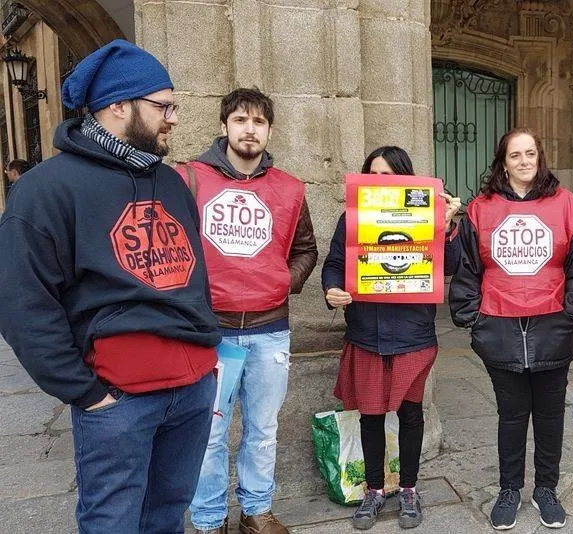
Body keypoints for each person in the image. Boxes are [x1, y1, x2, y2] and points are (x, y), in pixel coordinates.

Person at [0, 39, 221, 533]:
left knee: (167, 518)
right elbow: (22, 304)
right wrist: (85, 392)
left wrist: (208, 364)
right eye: (163, 106)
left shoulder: (171, 183)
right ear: (119, 105)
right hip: (118, 399)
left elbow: (195, 277)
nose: (173, 118)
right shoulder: (44, 189)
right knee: (112, 523)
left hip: (192, 389)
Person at [182, 88, 319, 534]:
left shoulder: (290, 189)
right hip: (211, 331)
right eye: (240, 120)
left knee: (263, 429)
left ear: (269, 131)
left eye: (259, 122)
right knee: (209, 433)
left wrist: (283, 282)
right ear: (224, 126)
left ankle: (257, 510)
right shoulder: (190, 179)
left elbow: (306, 249)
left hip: (268, 329)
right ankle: (208, 519)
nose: (249, 129)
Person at [449, 127, 573, 530]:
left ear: (540, 157)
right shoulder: (481, 209)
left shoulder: (568, 205)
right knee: (511, 416)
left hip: (552, 329)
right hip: (499, 330)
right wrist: (472, 317)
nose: (524, 161)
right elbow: (467, 267)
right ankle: (509, 489)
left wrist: (571, 314)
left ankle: (546, 489)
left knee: (550, 415)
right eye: (515, 155)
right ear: (503, 163)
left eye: (530, 153)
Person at [322, 146, 462, 530]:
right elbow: (335, 263)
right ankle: (374, 489)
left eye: (388, 175)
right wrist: (332, 289)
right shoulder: (350, 218)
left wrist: (447, 225)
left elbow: (449, 266)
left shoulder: (429, 216)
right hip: (367, 333)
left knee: (411, 414)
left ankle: (409, 489)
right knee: (370, 415)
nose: (379, 182)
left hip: (413, 335)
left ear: (404, 179)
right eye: (372, 175)